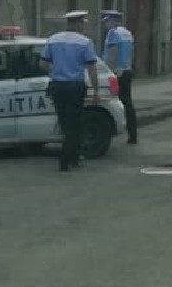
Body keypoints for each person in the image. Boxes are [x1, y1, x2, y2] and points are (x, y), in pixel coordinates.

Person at [40, 10, 101, 172]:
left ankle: (72, 156)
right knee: (75, 123)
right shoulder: (85, 42)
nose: (83, 26)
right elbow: (92, 68)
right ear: (78, 23)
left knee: (64, 121)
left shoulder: (53, 39)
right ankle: (67, 158)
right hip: (75, 87)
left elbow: (43, 64)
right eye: (82, 23)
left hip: (58, 86)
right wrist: (96, 90)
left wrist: (56, 71)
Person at [102, 10, 138, 145]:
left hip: (117, 72)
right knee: (127, 102)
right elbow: (132, 53)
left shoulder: (113, 33)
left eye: (107, 21)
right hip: (126, 70)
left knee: (110, 102)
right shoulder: (127, 33)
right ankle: (133, 134)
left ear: (113, 21)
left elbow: (113, 53)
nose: (105, 24)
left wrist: (108, 72)